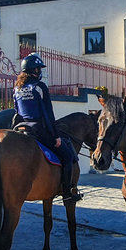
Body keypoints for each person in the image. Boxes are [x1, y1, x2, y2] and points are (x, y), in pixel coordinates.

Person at [13, 53, 82, 202]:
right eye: (38, 69)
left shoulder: (17, 88)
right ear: (32, 70)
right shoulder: (39, 87)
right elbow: (47, 114)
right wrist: (55, 136)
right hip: (39, 130)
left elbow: (17, 112)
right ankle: (67, 192)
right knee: (68, 156)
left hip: (22, 127)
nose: (40, 72)